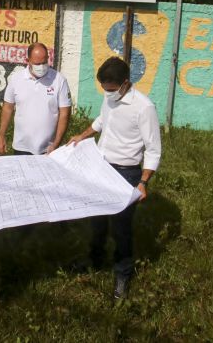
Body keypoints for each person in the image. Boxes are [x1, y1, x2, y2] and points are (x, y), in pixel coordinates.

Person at [67, 56, 161, 300]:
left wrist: (143, 182)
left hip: (126, 173)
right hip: (101, 165)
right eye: (104, 89)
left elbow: (153, 149)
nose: (106, 93)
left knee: (121, 228)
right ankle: (94, 259)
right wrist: (83, 135)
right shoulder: (110, 97)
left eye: (110, 89)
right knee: (96, 218)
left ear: (125, 83)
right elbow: (101, 121)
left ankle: (123, 273)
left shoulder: (144, 107)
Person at [0, 42, 71, 155]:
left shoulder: (59, 80)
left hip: (49, 148)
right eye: (37, 63)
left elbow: (65, 113)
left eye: (44, 62)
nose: (41, 67)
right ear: (28, 61)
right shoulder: (16, 79)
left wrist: (56, 143)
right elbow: (8, 108)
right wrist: (1, 136)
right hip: (21, 147)